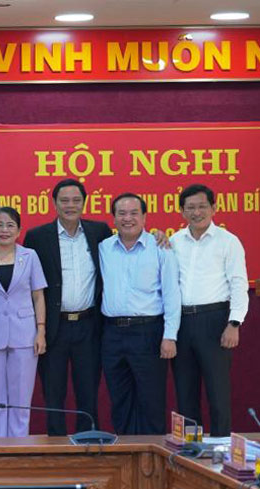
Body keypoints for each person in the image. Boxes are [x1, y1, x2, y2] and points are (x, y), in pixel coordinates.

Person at [23, 178, 112, 436]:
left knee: (88, 392)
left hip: (89, 325)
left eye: (76, 200)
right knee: (53, 393)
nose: (70, 205)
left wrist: (159, 237)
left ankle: (87, 444)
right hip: (54, 326)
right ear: (54, 203)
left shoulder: (100, 232)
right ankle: (56, 449)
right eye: (64, 200)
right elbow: (29, 283)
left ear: (84, 202)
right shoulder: (37, 237)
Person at [171, 184, 249, 437]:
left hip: (215, 321)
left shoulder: (228, 241)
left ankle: (221, 449)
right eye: (190, 207)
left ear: (214, 208)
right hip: (182, 323)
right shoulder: (174, 242)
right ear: (182, 211)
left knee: (217, 392)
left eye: (202, 206)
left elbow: (238, 283)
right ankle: (190, 450)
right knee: (185, 392)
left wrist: (234, 323)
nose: (197, 212)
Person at [99, 193, 180, 435]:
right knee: (120, 400)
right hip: (112, 333)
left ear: (145, 217)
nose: (128, 218)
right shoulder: (104, 247)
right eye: (121, 213)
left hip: (148, 332)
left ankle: (152, 464)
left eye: (134, 213)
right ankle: (125, 460)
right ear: (113, 218)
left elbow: (171, 294)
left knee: (151, 400)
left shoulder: (160, 247)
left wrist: (170, 336)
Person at [0, 207, 47, 437]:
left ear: (19, 230)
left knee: (22, 398)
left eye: (10, 225)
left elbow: (38, 296)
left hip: (25, 335)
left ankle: (20, 449)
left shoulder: (30, 256)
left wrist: (40, 331)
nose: (4, 230)